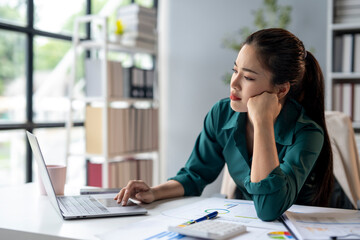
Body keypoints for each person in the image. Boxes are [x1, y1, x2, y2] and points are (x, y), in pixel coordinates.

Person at [114, 28, 334, 221]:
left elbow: (269, 209)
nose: (234, 83)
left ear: (281, 90)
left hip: (311, 226)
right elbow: (194, 175)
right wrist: (154, 192)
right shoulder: (221, 114)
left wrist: (263, 122)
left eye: (247, 77)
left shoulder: (308, 133)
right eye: (235, 70)